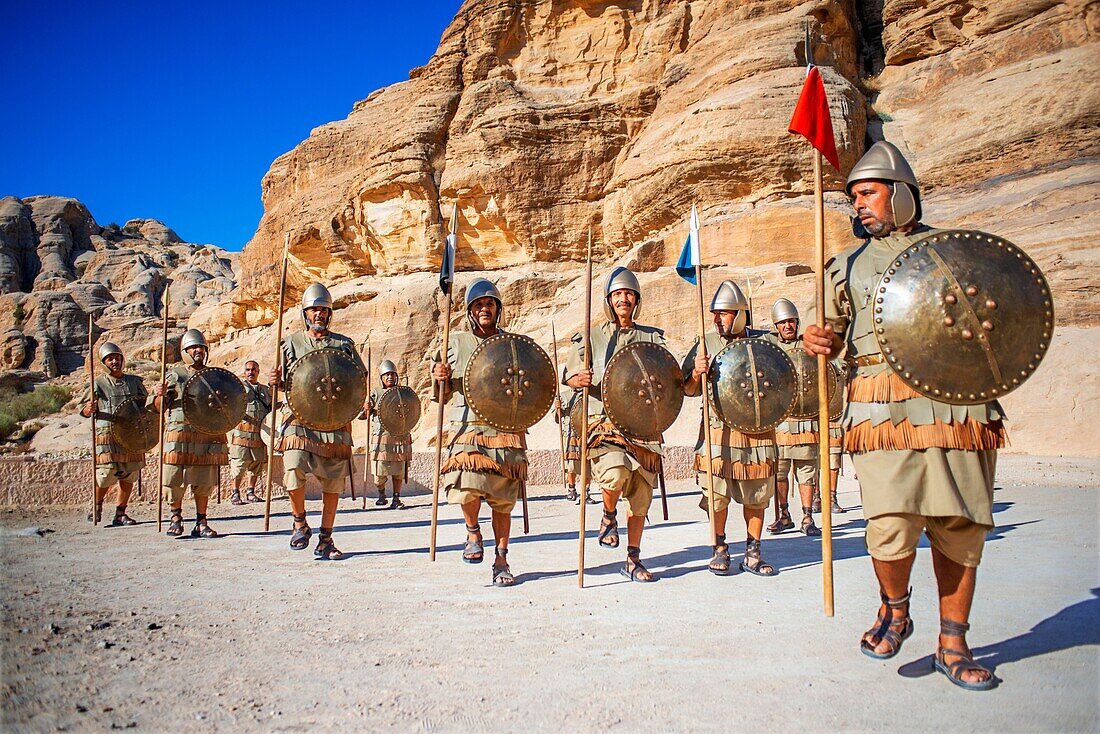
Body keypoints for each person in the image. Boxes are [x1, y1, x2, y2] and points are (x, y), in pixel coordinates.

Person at [803, 140, 1003, 690]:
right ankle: (896, 606)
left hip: (956, 405)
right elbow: (833, 336)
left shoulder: (951, 250)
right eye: (853, 197)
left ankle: (953, 643)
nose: (858, 205)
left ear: (902, 193)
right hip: (881, 406)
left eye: (867, 193)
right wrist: (819, 337)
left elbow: (991, 324)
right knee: (889, 525)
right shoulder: (844, 267)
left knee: (960, 526)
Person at [564, 267, 665, 583]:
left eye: (629, 294)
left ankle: (633, 559)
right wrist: (576, 379)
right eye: (618, 294)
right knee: (615, 470)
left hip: (643, 426)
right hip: (604, 422)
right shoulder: (591, 337)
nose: (623, 299)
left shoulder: (651, 338)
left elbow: (666, 378)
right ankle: (608, 514)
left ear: (636, 300)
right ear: (609, 299)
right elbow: (567, 375)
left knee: (640, 496)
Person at [432, 278, 528, 586]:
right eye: (478, 305)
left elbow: (526, 387)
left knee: (502, 501)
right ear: (469, 311)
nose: (484, 309)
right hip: (467, 427)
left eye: (489, 304)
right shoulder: (455, 341)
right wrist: (440, 377)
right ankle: (473, 531)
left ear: (498, 309)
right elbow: (441, 395)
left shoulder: (512, 344)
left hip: (504, 430)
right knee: (466, 486)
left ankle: (501, 560)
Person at [682, 280, 779, 576]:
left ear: (740, 314)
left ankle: (753, 552)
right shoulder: (705, 344)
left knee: (757, 494)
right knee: (716, 494)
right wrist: (697, 373)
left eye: (723, 313)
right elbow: (686, 390)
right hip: (717, 430)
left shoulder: (767, 342)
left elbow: (782, 384)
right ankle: (720, 548)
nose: (716, 319)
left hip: (758, 430)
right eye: (714, 313)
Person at [269, 283, 368, 560]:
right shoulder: (289, 344)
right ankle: (299, 521)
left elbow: (358, 379)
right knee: (293, 465)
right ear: (305, 313)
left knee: (333, 481)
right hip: (299, 417)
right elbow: (283, 383)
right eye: (315, 309)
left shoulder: (343, 344)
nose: (320, 314)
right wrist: (275, 382)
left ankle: (326, 538)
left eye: (324, 309)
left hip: (334, 422)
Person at [153, 329, 227, 538]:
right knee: (173, 478)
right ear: (185, 350)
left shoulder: (213, 375)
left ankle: (201, 522)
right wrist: (159, 395)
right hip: (179, 434)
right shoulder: (175, 375)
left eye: (201, 347)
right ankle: (176, 517)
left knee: (204, 480)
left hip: (205, 433)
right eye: (193, 347)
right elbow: (159, 407)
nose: (198, 351)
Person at [765, 298, 824, 536]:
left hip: (806, 420)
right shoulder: (771, 348)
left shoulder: (808, 348)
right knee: (779, 472)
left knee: (806, 472)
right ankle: (784, 515)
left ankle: (808, 517)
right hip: (780, 423)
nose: (787, 326)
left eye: (791, 321)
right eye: (782, 323)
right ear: (776, 326)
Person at [78, 342, 148, 526]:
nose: (114, 361)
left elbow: (145, 406)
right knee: (106, 473)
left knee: (129, 473)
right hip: (107, 435)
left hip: (130, 435)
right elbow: (83, 409)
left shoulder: (134, 382)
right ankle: (97, 507)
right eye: (110, 359)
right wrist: (88, 409)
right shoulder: (98, 383)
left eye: (117, 357)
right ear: (104, 362)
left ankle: (120, 514)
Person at [368, 360, 411, 510]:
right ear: (381, 377)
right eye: (386, 375)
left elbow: (411, 410)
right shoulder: (375, 392)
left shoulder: (403, 392)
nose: (390, 377)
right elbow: (363, 415)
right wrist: (366, 408)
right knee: (379, 473)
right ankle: (381, 494)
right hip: (381, 436)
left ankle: (396, 498)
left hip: (400, 436)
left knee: (398, 471)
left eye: (392, 374)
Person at [229, 360, 270, 505]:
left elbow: (270, 408)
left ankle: (250, 492)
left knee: (256, 465)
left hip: (259, 434)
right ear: (244, 372)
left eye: (253, 370)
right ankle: (235, 493)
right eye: (248, 370)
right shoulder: (238, 389)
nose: (250, 372)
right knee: (239, 465)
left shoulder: (265, 390)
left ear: (258, 372)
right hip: (242, 434)